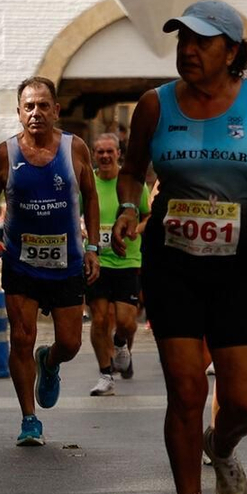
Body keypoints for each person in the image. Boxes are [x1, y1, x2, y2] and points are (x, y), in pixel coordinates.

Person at [114, 0, 247, 494]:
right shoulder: (154, 105)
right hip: (174, 261)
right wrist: (127, 207)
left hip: (241, 263)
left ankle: (222, 447)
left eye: (201, 41)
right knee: (186, 389)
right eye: (181, 40)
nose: (187, 50)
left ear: (232, 51)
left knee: (244, 403)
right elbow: (130, 171)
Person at [0, 76, 102, 447]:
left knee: (71, 343)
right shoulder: (4, 154)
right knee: (21, 338)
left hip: (66, 264)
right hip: (20, 261)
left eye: (43, 105)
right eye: (28, 106)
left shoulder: (75, 149)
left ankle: (50, 362)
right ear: (18, 113)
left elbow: (92, 198)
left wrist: (93, 247)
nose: (36, 113)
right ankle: (29, 419)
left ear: (56, 110)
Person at [86, 133, 149, 396]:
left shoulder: (132, 184)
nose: (105, 156)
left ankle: (121, 342)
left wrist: (137, 229)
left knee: (125, 321)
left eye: (109, 151)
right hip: (99, 260)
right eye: (100, 152)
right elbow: (76, 212)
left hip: (127, 259)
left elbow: (147, 215)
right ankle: (105, 375)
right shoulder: (87, 182)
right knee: (99, 319)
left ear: (118, 154)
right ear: (94, 155)